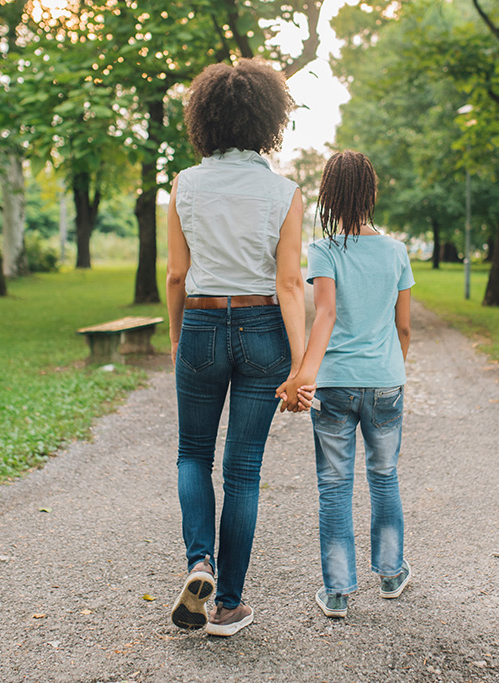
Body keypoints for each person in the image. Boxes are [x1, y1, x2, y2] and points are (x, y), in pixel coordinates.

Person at [165, 58, 308, 637]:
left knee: (192, 455)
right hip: (263, 329)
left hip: (200, 324)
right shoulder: (284, 192)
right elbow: (290, 284)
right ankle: (227, 605)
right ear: (268, 119)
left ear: (205, 119)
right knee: (242, 471)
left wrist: (178, 337)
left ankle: (199, 561)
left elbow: (177, 275)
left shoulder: (184, 184)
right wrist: (300, 365)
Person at [277, 150, 414, 619]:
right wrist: (392, 369)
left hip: (334, 387)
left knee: (334, 485)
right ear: (372, 194)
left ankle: (337, 591)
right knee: (385, 476)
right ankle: (392, 574)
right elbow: (405, 329)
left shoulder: (325, 250)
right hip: (385, 385)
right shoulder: (396, 251)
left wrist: (304, 376)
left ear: (329, 196)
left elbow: (326, 315)